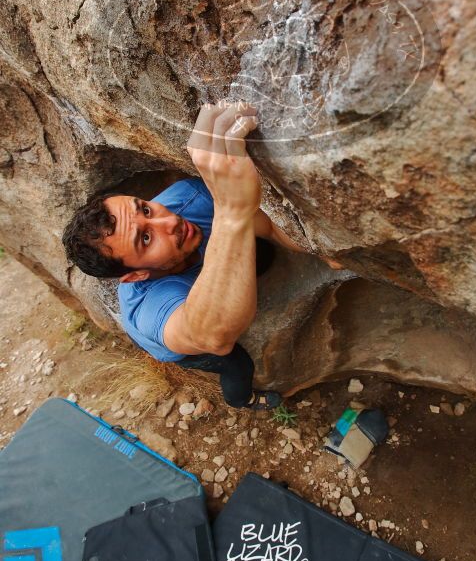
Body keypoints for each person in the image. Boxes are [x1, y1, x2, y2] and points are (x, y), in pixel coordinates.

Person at [62, 100, 341, 410]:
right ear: (136, 275)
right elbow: (213, 336)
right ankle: (243, 399)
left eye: (144, 208)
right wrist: (230, 212)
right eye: (144, 238)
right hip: (186, 347)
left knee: (256, 254)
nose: (170, 222)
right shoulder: (149, 309)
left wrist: (327, 251)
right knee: (234, 362)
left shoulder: (188, 198)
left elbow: (272, 229)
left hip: (210, 272)